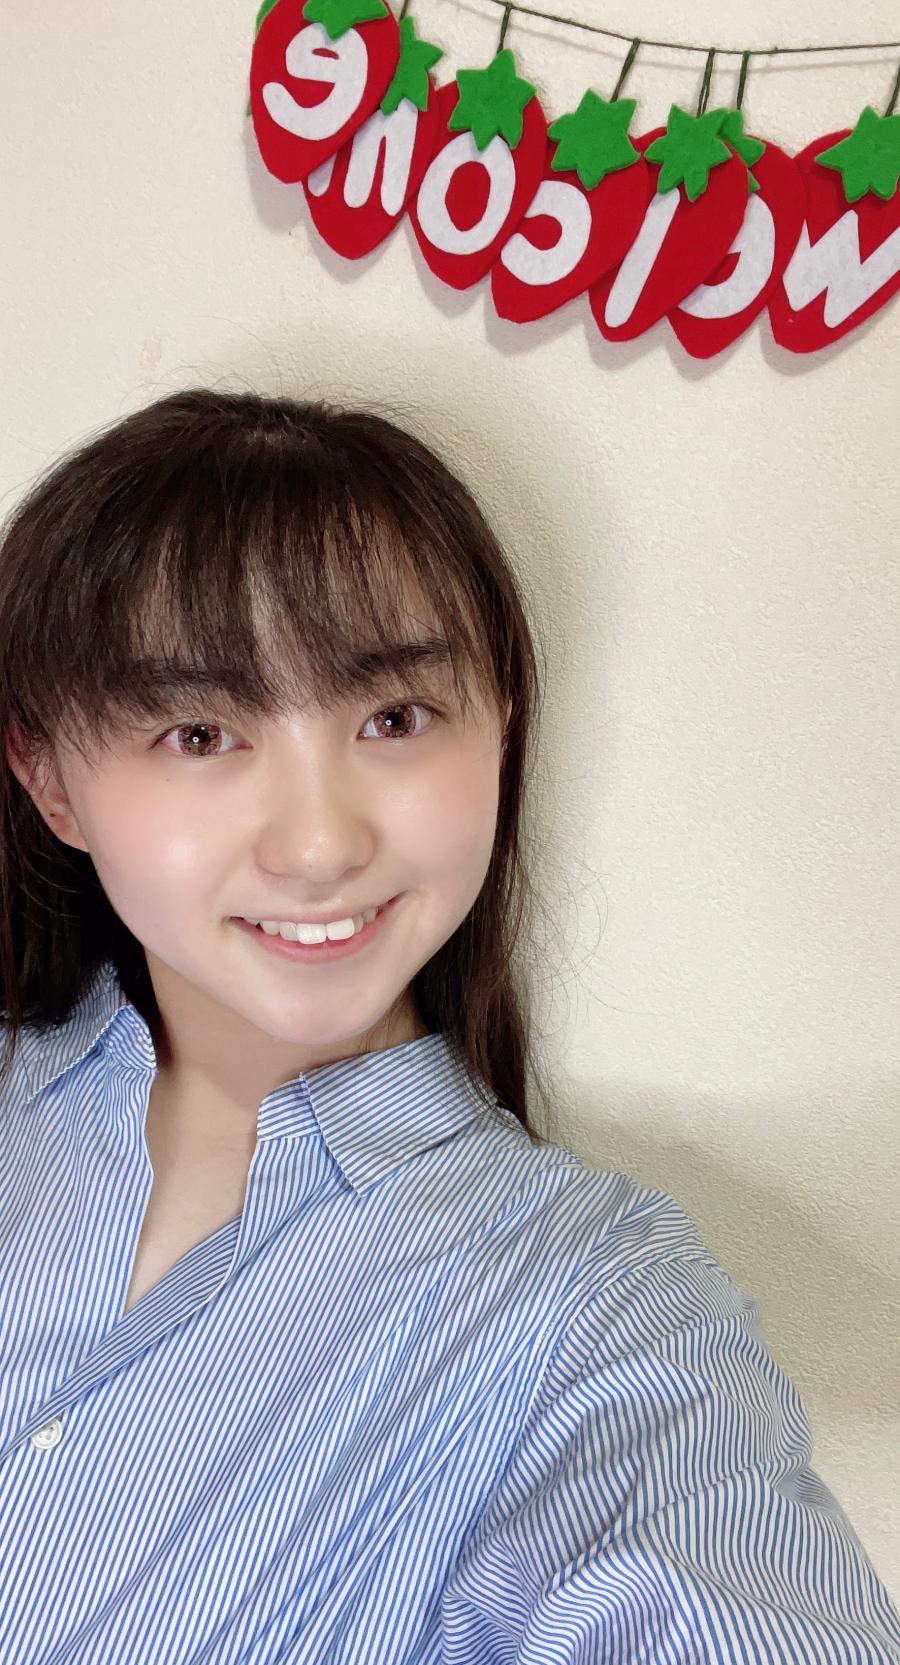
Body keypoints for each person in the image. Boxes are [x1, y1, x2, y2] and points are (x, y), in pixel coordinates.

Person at [0, 387, 896, 1664]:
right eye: (201, 733)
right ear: (49, 778)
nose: (320, 845)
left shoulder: (597, 1304)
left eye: (394, 720)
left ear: (500, 726)